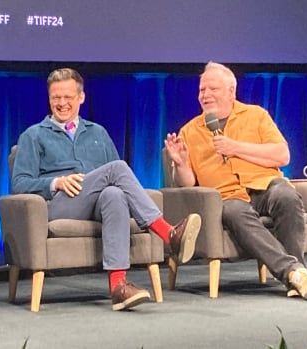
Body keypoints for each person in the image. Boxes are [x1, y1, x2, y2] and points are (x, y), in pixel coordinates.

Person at [12, 68, 202, 311]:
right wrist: (55, 182)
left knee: (114, 194)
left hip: (96, 204)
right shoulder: (34, 135)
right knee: (118, 168)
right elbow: (19, 183)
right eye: (55, 98)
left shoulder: (97, 133)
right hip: (60, 204)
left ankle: (118, 287)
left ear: (81, 97)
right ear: (49, 99)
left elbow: (118, 181)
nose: (61, 103)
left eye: (68, 97)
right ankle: (168, 234)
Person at [165, 62, 307, 299]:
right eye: (201, 90)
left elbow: (282, 154)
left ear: (231, 91)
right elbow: (186, 185)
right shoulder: (190, 130)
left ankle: (294, 273)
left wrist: (235, 147)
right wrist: (181, 163)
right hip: (226, 197)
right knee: (234, 212)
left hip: (265, 185)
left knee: (287, 196)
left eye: (212, 89)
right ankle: (294, 273)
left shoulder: (256, 115)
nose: (205, 95)